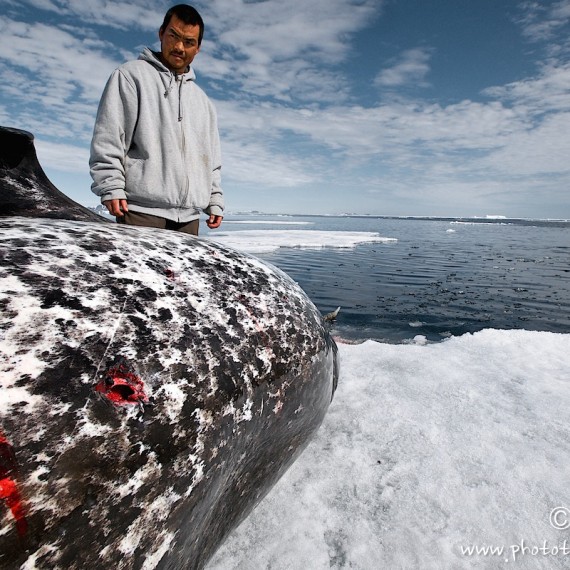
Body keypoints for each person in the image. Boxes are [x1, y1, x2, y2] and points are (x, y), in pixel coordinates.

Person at [89, 4, 223, 235]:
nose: (179, 47)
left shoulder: (203, 102)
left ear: (198, 48)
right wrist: (110, 186)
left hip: (189, 219)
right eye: (174, 36)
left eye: (189, 42)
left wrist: (215, 199)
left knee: (181, 274)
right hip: (141, 212)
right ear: (162, 33)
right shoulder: (131, 76)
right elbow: (109, 137)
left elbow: (211, 161)